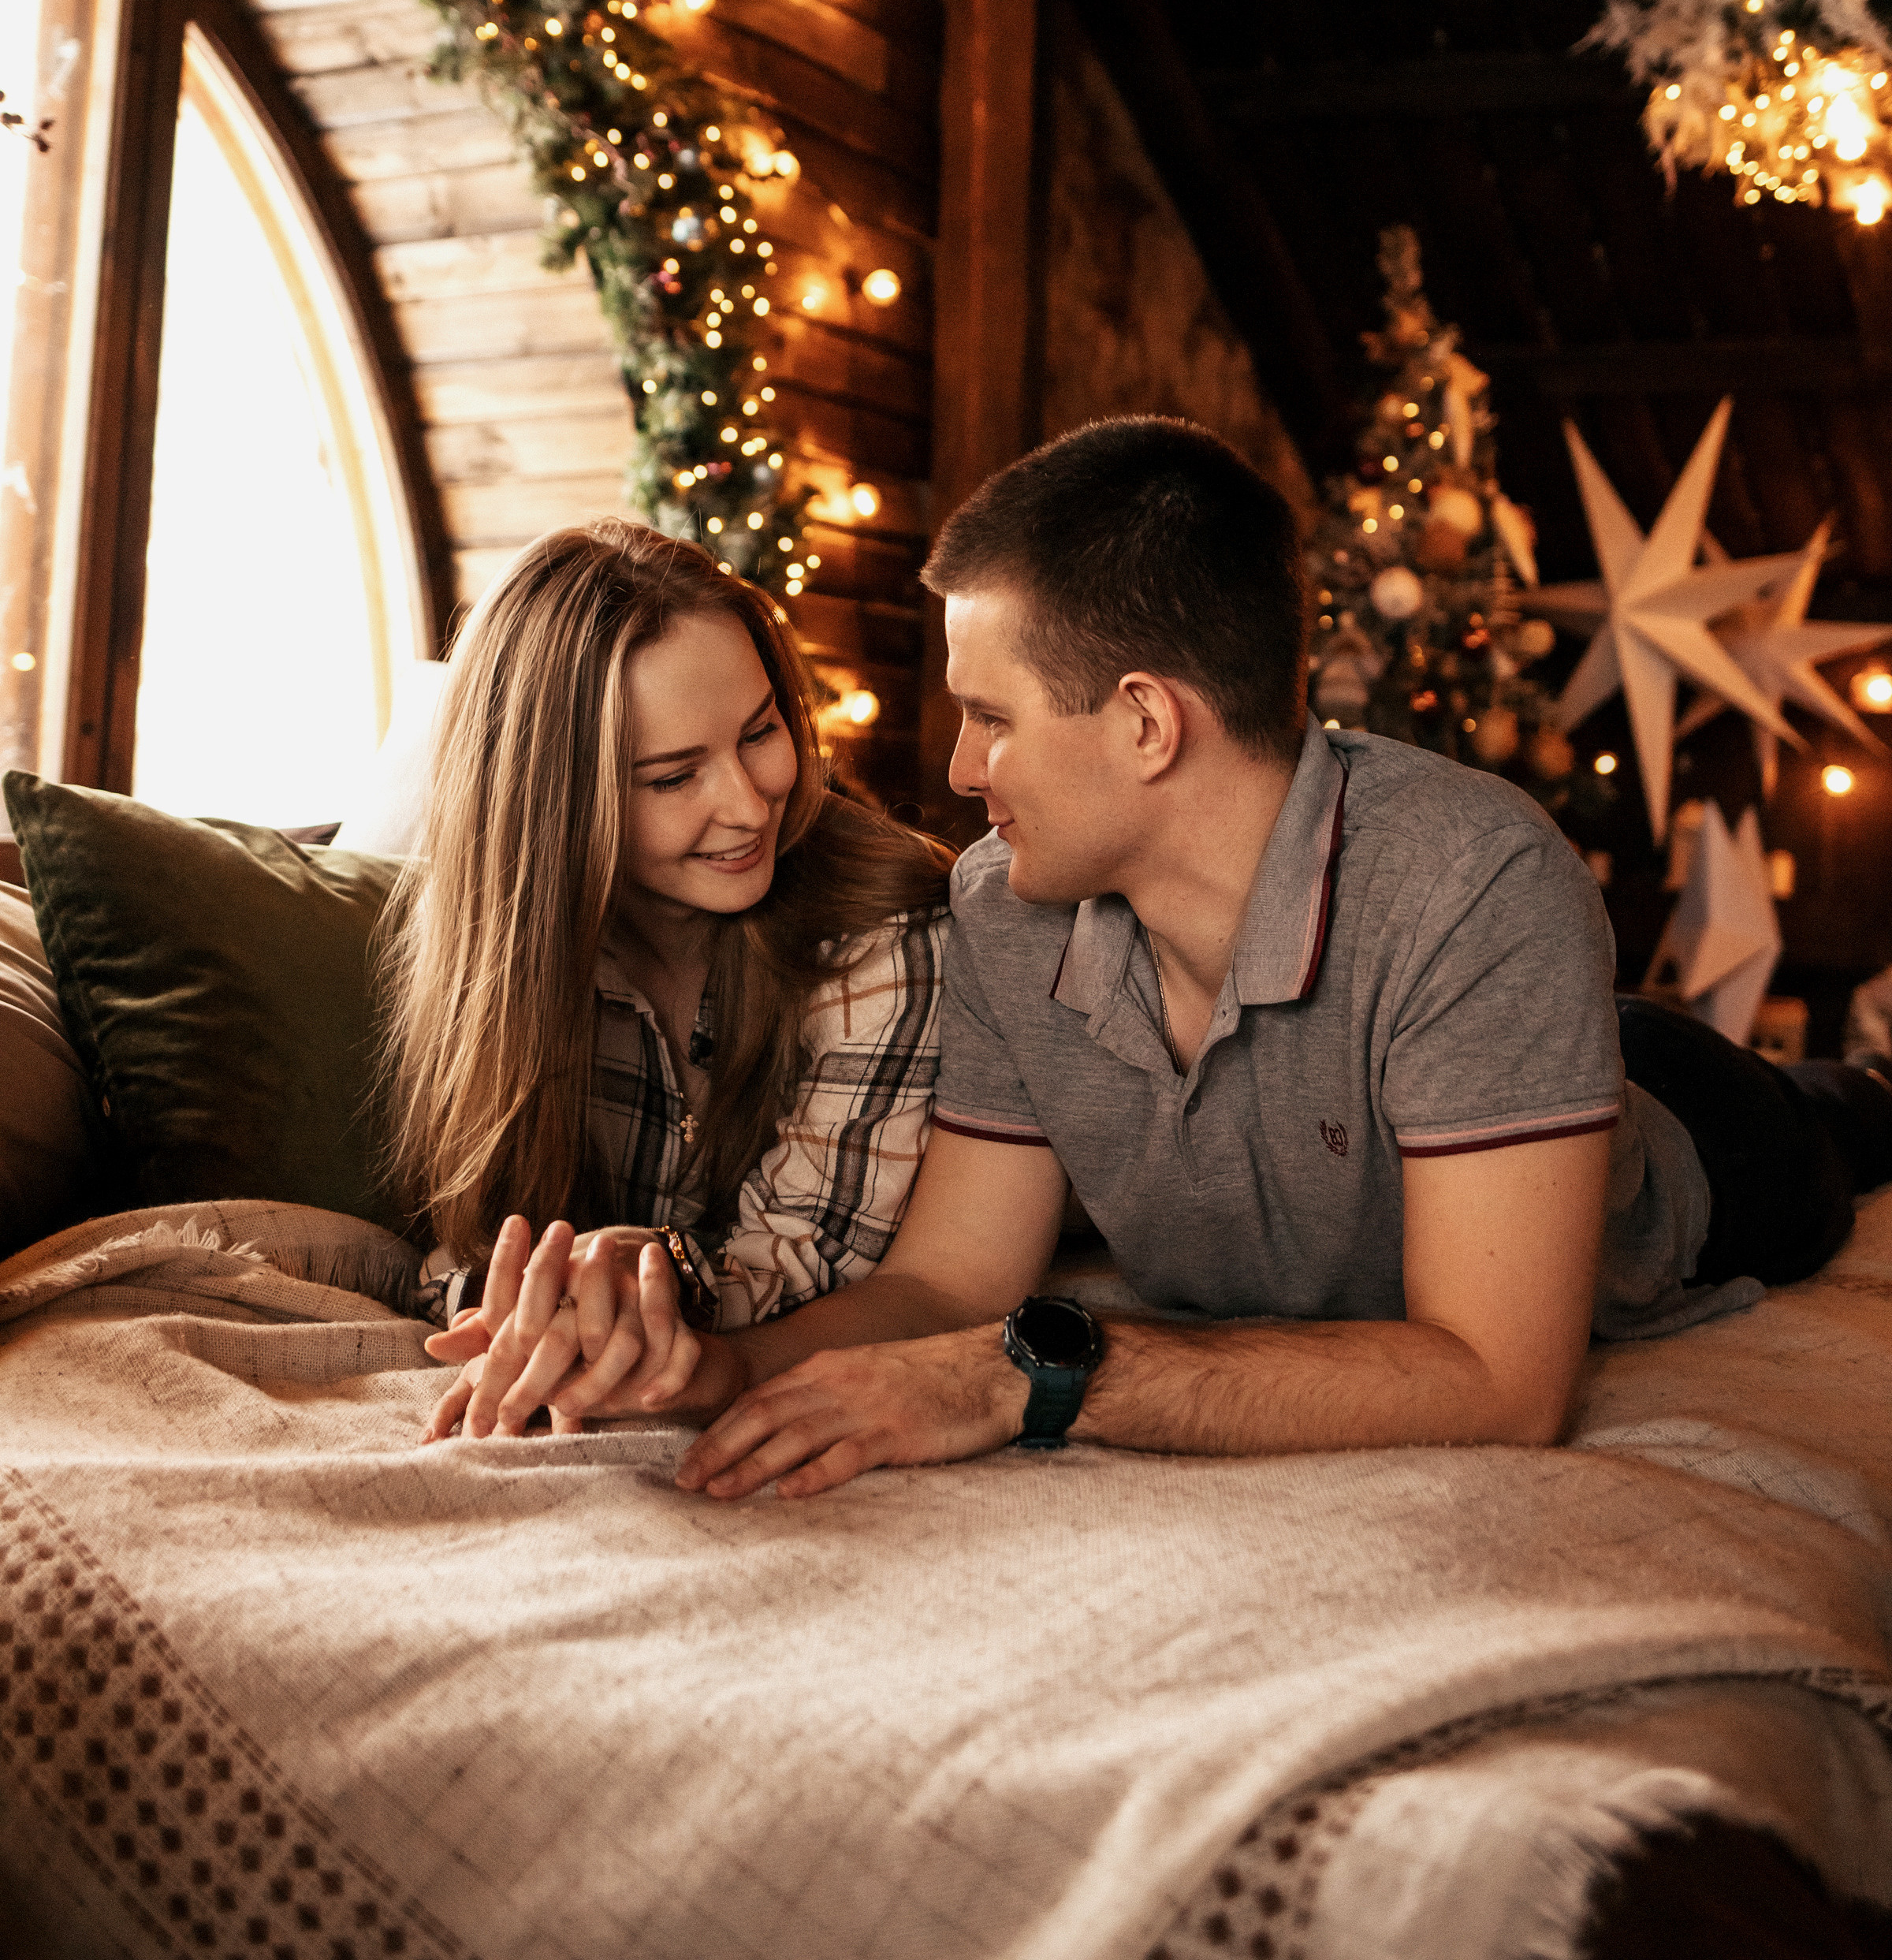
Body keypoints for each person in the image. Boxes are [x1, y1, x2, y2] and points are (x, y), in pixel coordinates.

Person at [450, 427, 1892, 1492]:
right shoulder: (1007, 911)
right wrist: (720, 1369)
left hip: (1699, 1128)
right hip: (1467, 1063)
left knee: (1845, 1114)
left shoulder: (1480, 880)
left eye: (992, 718)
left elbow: (1500, 1382)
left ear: (1146, 722)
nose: (956, 770)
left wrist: (1037, 1374)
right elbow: (951, 1284)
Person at [383, 519, 950, 1443]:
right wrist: (541, 1309)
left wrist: (648, 1284)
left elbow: (815, 1263)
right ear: (556, 809)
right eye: (674, 776)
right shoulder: (496, 944)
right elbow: (467, 1236)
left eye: (761, 731)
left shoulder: (886, 927)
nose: (748, 799)